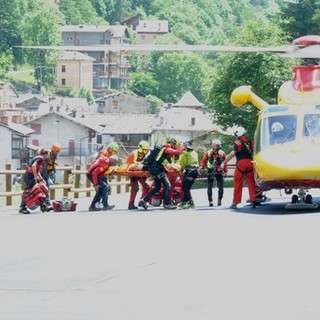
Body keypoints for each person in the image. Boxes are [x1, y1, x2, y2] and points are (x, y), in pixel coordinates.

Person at [138, 137, 186, 210]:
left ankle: (144, 200)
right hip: (158, 170)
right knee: (168, 185)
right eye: (175, 145)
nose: (175, 147)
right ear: (172, 143)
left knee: (158, 186)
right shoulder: (167, 148)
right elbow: (178, 152)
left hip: (153, 169)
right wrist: (184, 147)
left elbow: (164, 161)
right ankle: (167, 204)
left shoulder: (162, 149)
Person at [222, 127, 257, 209]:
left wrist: (224, 162)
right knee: (251, 183)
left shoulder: (237, 143)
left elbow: (232, 153)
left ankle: (235, 202)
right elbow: (255, 151)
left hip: (241, 164)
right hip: (250, 163)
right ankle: (253, 200)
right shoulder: (250, 142)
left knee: (238, 183)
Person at [19, 148, 51, 214]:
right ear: (45, 154)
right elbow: (33, 166)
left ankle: (43, 206)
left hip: (30, 175)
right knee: (28, 191)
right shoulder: (40, 158)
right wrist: (36, 177)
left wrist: (41, 179)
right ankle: (22, 208)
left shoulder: (38, 158)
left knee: (40, 189)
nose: (47, 157)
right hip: (29, 176)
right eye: (47, 155)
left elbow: (37, 170)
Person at [199, 139, 228, 207]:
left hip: (219, 171)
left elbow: (225, 162)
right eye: (214, 145)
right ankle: (210, 201)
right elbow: (203, 161)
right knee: (209, 188)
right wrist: (201, 167)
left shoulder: (222, 153)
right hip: (210, 171)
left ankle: (219, 200)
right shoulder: (208, 153)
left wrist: (225, 171)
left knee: (221, 188)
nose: (215, 146)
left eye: (216, 145)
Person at [125, 140, 150, 210]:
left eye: (146, 150)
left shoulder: (145, 155)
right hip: (132, 174)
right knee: (135, 188)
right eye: (144, 150)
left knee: (146, 187)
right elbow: (128, 166)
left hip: (139, 174)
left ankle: (142, 201)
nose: (145, 152)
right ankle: (131, 204)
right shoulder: (133, 154)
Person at [178, 142, 199, 209]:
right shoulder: (195, 153)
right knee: (187, 187)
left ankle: (189, 202)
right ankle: (185, 201)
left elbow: (183, 163)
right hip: (195, 172)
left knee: (184, 187)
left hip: (190, 171)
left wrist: (181, 169)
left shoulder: (184, 153)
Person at [41, 143, 62, 209]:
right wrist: (47, 178)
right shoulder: (48, 156)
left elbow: (52, 164)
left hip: (50, 172)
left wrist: (54, 172)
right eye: (56, 151)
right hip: (44, 173)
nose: (57, 153)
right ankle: (46, 202)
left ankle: (46, 202)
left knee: (47, 188)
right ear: (53, 150)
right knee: (44, 188)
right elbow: (44, 168)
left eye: (58, 152)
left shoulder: (54, 155)